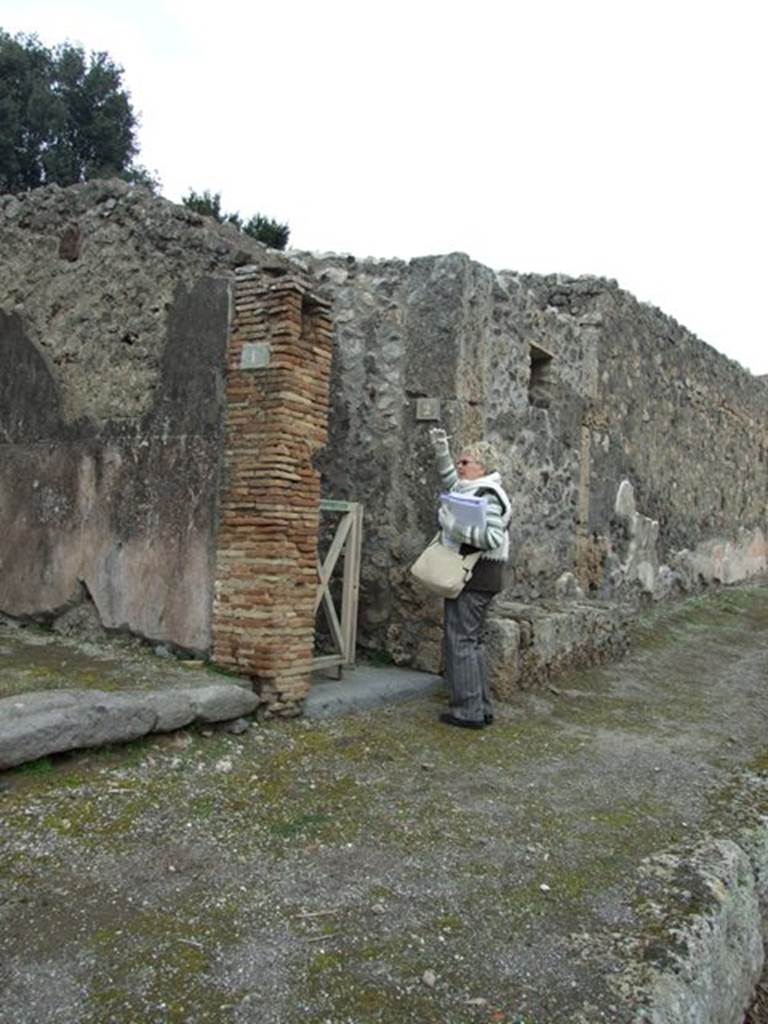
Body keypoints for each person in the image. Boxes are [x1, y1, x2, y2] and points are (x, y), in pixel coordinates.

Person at [428, 428, 511, 730]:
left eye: (465, 462)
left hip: (475, 577)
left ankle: (467, 711)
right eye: (460, 462)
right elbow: (452, 482)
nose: (460, 467)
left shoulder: (488, 496)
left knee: (460, 640)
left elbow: (491, 537)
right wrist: (441, 451)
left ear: (483, 468)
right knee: (472, 642)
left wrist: (452, 526)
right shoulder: (474, 490)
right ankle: (481, 706)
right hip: (481, 577)